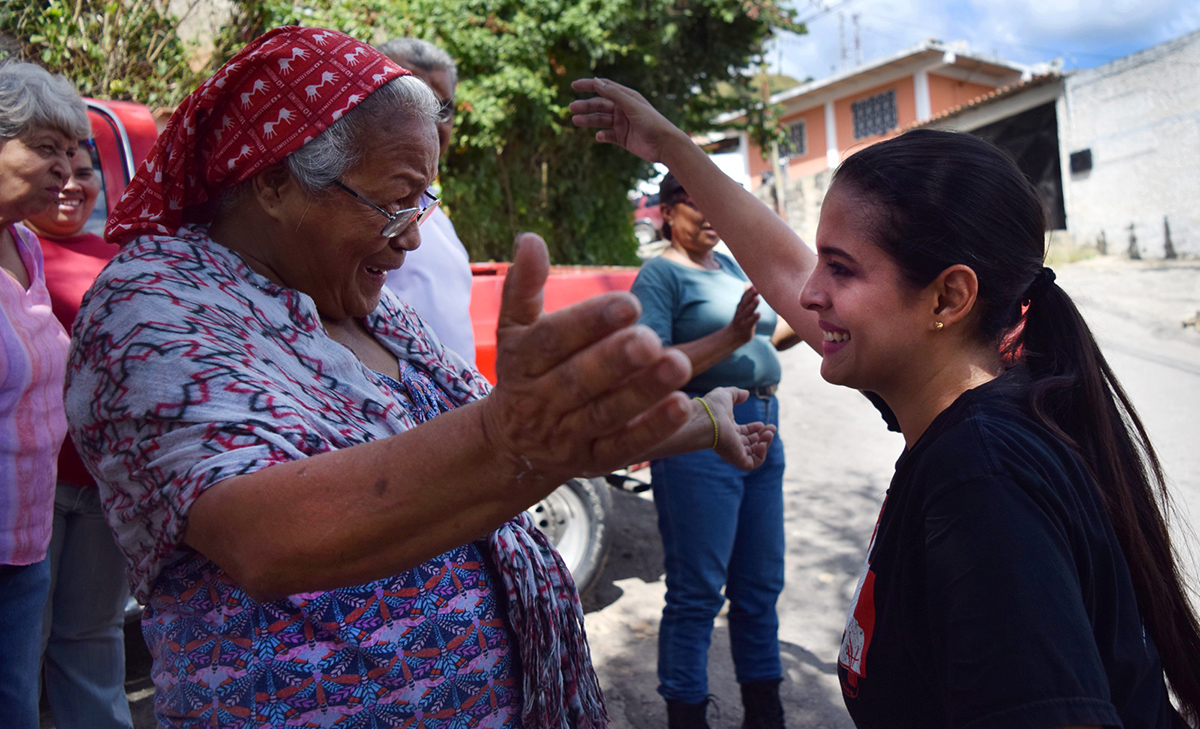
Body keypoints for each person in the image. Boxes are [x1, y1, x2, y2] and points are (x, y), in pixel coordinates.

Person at [65, 28, 777, 729]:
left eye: (422, 202)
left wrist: (701, 419)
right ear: (276, 182)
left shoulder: (381, 312)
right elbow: (263, 537)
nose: (410, 237)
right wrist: (508, 439)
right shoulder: (154, 307)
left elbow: (524, 437)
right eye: (396, 198)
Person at [570, 78, 1200, 728]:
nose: (809, 294)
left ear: (948, 299)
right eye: (820, 262)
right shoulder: (972, 408)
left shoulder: (983, 484)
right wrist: (673, 146)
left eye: (840, 268)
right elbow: (785, 271)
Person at [631, 171, 799, 729]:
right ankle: (686, 715)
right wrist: (727, 339)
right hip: (698, 430)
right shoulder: (659, 275)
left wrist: (809, 318)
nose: (707, 215)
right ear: (667, 212)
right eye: (691, 203)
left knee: (759, 584)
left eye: (713, 205)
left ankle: (765, 713)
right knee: (698, 589)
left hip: (763, 423)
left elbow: (762, 336)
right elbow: (651, 369)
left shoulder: (729, 268)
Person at [24, 141, 133, 729]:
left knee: (92, 634)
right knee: (23, 637)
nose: (69, 183)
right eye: (54, 167)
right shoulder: (14, 249)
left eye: (83, 171)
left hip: (103, 483)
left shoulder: (121, 255)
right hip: (29, 483)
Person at [0, 61, 88, 728]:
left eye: (73, 150)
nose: (67, 168)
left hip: (24, 542)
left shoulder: (24, 245)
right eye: (46, 147)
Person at [377, 37, 476, 364]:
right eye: (414, 99)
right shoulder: (351, 208)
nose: (431, 119)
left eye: (443, 108)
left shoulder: (437, 217)